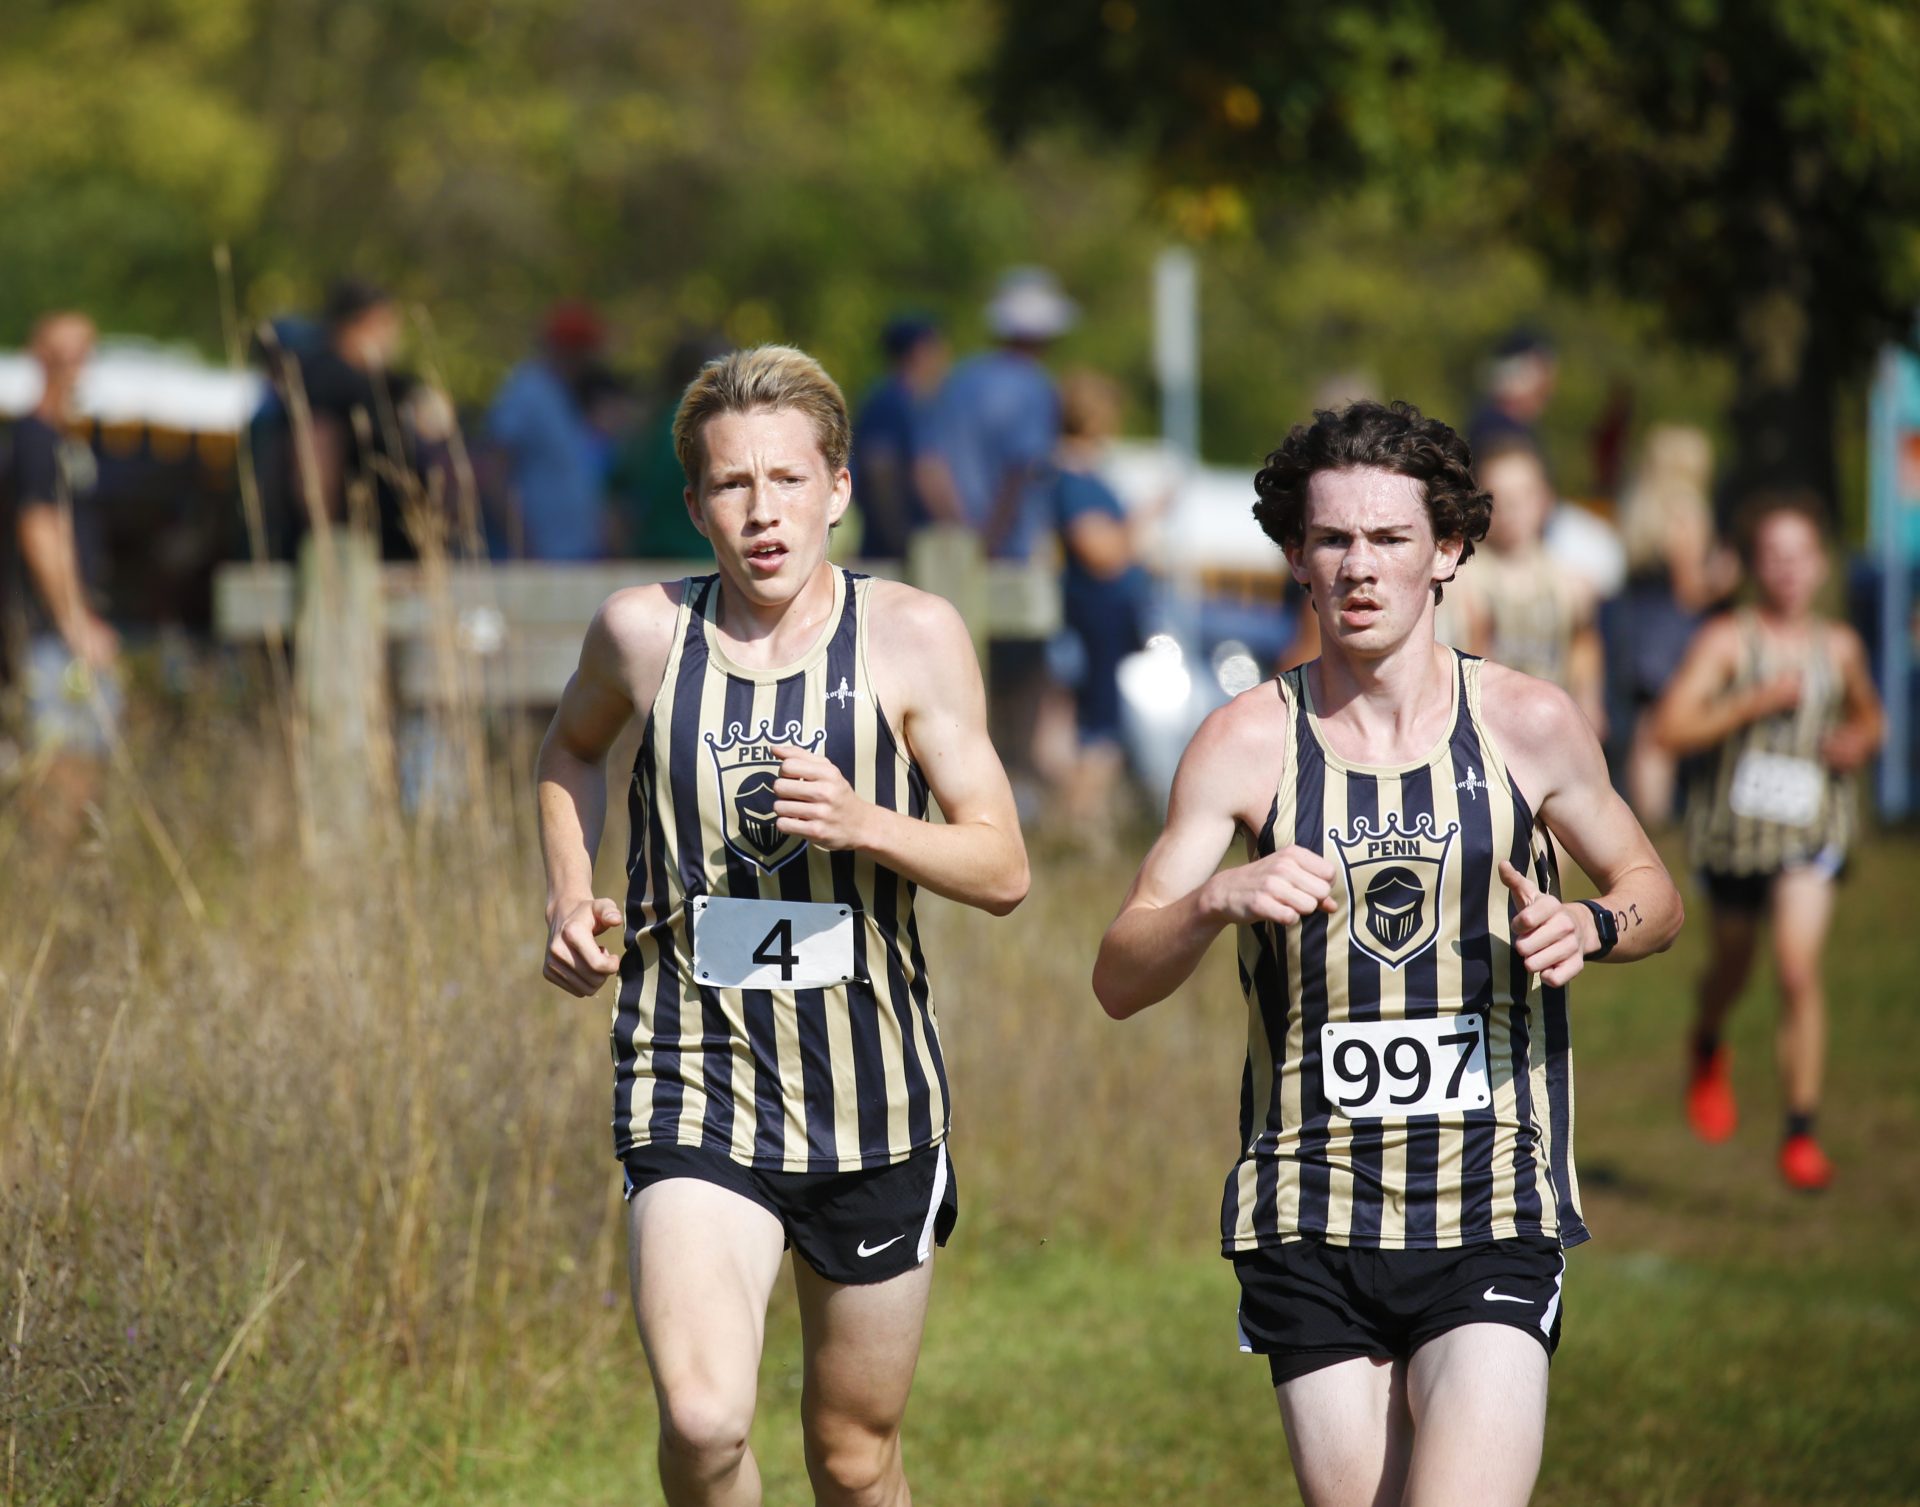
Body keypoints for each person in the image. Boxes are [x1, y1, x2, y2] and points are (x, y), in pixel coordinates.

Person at [1092, 400, 1682, 1507]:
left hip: (1491, 1200)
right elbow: (1119, 975)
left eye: (1390, 537)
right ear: (1296, 558)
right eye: (1332, 539)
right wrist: (1216, 898)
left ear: (1447, 549)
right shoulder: (1243, 742)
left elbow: (1654, 892)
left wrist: (1591, 924)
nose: (1359, 566)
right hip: (1308, 1207)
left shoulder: (1528, 723)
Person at [536, 345, 1028, 1507]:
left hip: (874, 1098)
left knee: (852, 1454)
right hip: (691, 1077)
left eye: (788, 480)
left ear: (838, 488)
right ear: (695, 502)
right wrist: (567, 893)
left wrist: (868, 822)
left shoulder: (911, 636)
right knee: (704, 1419)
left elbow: (1003, 866)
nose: (763, 512)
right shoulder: (642, 633)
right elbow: (568, 750)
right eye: (732, 484)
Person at [1651, 493, 1883, 1191]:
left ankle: (1800, 1131)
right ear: (1755, 565)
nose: (1787, 569)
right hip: (1734, 838)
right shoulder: (1727, 641)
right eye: (1774, 556)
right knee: (1732, 969)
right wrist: (1752, 702)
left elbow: (1872, 719)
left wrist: (1858, 741)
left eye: (1800, 555)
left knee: (1796, 969)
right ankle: (1707, 1041)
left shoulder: (1838, 646)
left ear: (1821, 565)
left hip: (1811, 832)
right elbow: (1670, 728)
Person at [929, 268, 1077, 806]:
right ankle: (1011, 801)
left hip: (947, 559)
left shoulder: (959, 381)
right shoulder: (1035, 388)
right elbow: (1022, 469)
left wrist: (959, 535)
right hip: (1009, 559)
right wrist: (990, 538)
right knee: (1017, 693)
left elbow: (928, 467)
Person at [3, 311, 121, 834]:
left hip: (65, 629)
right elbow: (39, 528)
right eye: (64, 356)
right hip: (51, 635)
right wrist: (74, 620)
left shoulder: (66, 440)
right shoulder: (34, 438)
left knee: (84, 764)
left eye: (84, 355)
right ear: (40, 360)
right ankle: (49, 875)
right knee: (62, 765)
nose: (76, 368)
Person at [1605, 425, 1737, 822]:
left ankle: (1646, 817)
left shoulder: (1640, 506)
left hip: (1638, 630)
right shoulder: (1686, 510)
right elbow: (1689, 591)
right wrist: (1725, 577)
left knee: (1646, 730)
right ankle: (1658, 819)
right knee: (1660, 735)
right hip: (1671, 636)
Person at [1046, 368, 1153, 833]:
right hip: (1098, 617)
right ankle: (1080, 821)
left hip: (1099, 616)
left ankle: (1079, 821)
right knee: (1099, 727)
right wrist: (1142, 519)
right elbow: (1100, 554)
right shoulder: (1074, 480)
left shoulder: (1074, 475)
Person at [1449, 439, 1607, 735]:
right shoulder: (1459, 580)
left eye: (1523, 495)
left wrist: (1589, 713)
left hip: (1551, 727)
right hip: (1485, 728)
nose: (1512, 508)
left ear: (1545, 499)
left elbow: (1584, 658)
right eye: (1498, 497)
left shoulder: (1573, 585)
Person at [484, 302, 611, 561]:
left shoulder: (564, 391)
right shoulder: (527, 390)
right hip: (543, 552)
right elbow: (494, 470)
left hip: (576, 549)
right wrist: (520, 539)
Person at [612, 332, 732, 560]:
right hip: (701, 556)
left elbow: (618, 495)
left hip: (652, 557)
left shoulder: (649, 427)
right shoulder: (708, 423)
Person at [848, 316, 957, 561]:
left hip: (907, 547)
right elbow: (880, 470)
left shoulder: (911, 402)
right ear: (919, 351)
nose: (945, 358)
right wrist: (899, 537)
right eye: (937, 348)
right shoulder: (890, 403)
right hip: (890, 552)